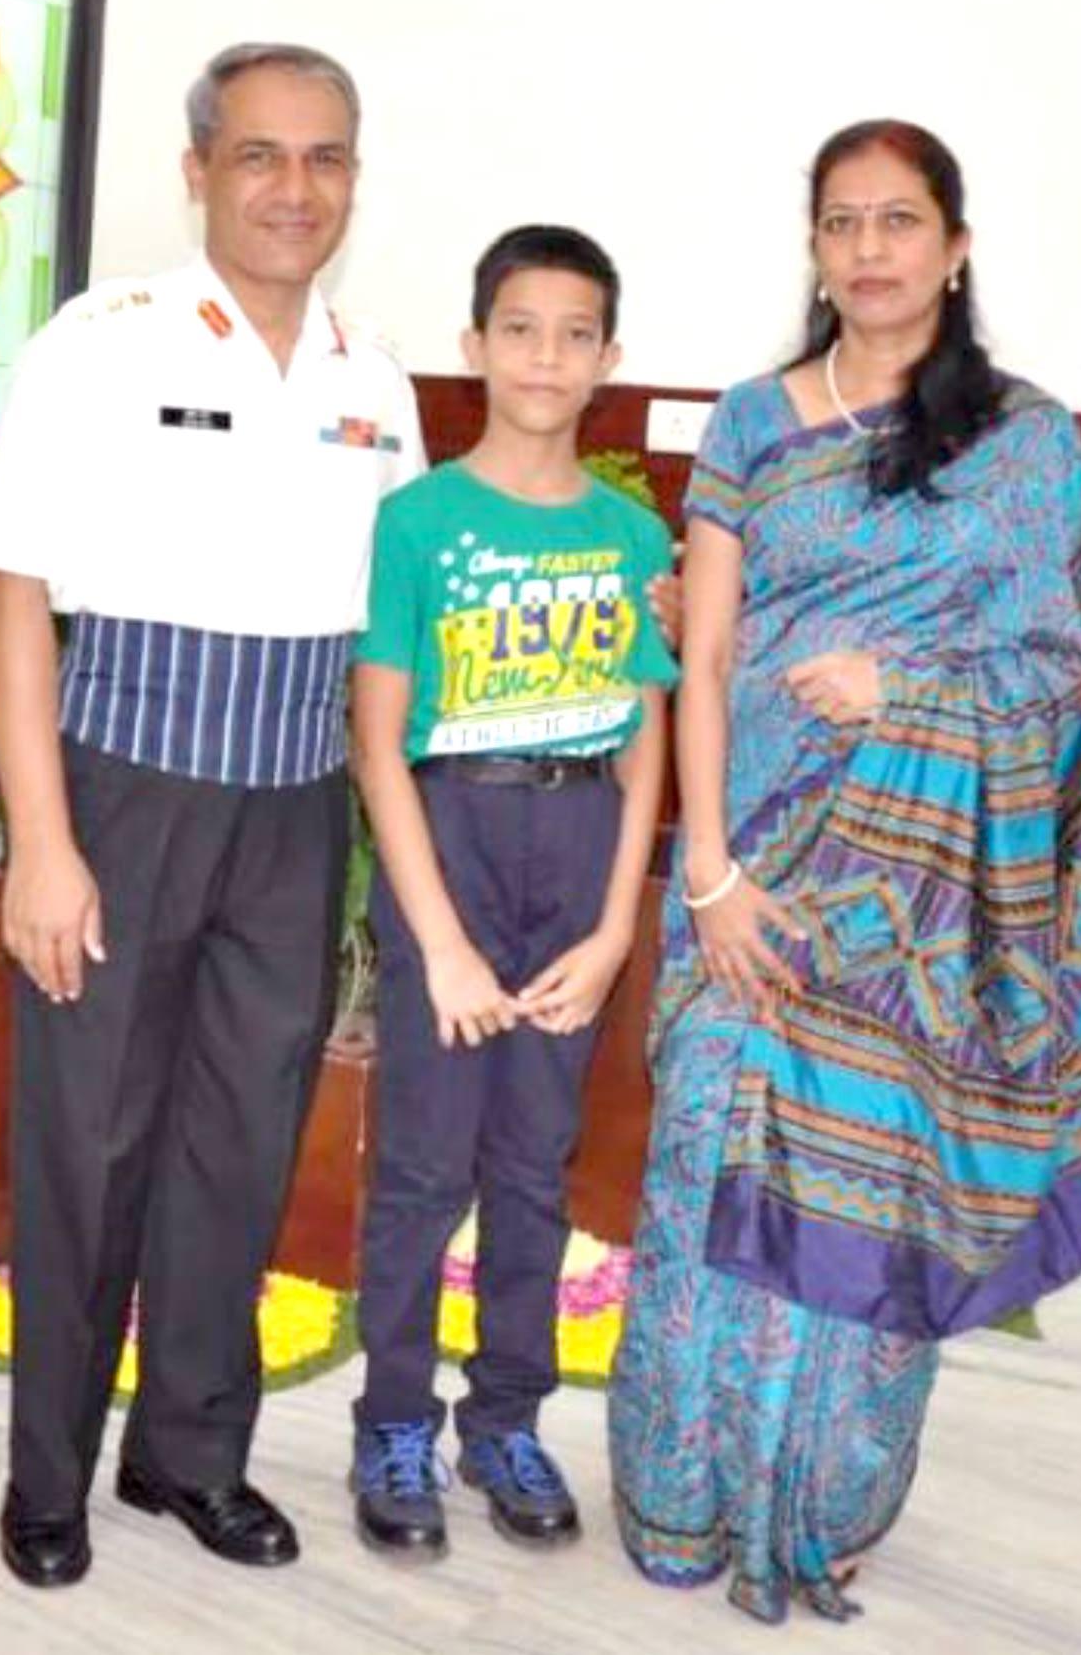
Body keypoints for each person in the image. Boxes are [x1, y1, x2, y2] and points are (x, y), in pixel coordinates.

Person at [608, 120, 1081, 1626]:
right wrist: (704, 872)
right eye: (842, 223)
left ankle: (822, 1503)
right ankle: (682, 1498)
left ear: (954, 249)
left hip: (922, 907)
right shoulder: (753, 427)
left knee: (874, 1178)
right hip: (754, 855)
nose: (870, 250)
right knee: (709, 1138)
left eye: (900, 221)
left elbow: (1069, 673)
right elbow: (701, 660)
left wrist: (904, 695)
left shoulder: (1024, 446)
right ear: (817, 250)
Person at [0, 44, 424, 1587]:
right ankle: (49, 1478)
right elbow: (17, 588)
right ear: (197, 172)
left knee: (242, 1146)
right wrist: (42, 838)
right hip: (125, 794)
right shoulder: (102, 344)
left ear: (354, 180)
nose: (295, 189)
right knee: (87, 1147)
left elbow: (391, 630)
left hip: (297, 816)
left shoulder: (377, 374)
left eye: (325, 159)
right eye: (259, 156)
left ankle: (189, 1458)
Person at [349, 224, 678, 1561]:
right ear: (475, 346)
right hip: (454, 843)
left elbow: (654, 738)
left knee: (535, 1171)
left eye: (576, 331)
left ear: (610, 356)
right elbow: (378, 737)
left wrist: (614, 928)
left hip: (580, 844)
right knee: (425, 1172)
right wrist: (437, 944)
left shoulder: (633, 533)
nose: (547, 356)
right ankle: (391, 1424)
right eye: (521, 328)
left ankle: (505, 1421)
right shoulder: (416, 519)